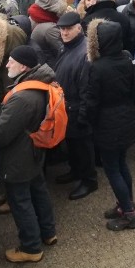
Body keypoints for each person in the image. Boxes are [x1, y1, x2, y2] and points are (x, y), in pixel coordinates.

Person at [0, 45, 57, 262]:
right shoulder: (42, 84)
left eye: (11, 61)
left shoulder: (22, 98)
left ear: (23, 66)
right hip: (34, 149)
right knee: (39, 190)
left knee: (20, 200)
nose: (7, 64)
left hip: (18, 156)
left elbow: (0, 133)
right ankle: (48, 232)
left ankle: (31, 248)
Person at [82, 20, 135, 231]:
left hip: (107, 125)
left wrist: (86, 122)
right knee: (122, 163)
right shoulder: (127, 59)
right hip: (127, 119)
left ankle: (128, 213)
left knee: (112, 169)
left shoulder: (97, 67)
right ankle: (126, 204)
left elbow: (91, 102)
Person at [52, 12, 97, 199]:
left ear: (79, 28)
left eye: (69, 28)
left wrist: (83, 116)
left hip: (77, 110)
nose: (64, 32)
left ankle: (89, 180)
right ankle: (76, 171)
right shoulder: (68, 47)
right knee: (72, 145)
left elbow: (86, 89)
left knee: (83, 148)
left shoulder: (84, 53)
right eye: (62, 29)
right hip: (67, 107)